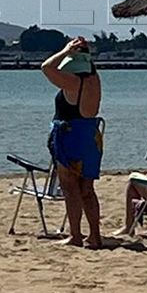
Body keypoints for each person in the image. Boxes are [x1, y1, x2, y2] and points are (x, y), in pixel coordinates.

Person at [41, 37, 104, 248]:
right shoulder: (94, 78)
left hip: (71, 134)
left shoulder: (74, 81)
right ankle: (95, 235)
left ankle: (76, 235)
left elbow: (46, 67)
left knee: (70, 188)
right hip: (90, 134)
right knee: (87, 189)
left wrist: (65, 51)